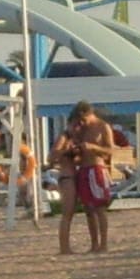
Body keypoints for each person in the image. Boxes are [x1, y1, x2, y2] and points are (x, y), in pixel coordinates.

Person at [69, 101, 114, 253]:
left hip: (97, 167)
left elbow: (110, 151)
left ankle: (104, 243)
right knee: (88, 209)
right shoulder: (84, 129)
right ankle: (94, 243)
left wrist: (93, 147)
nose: (83, 122)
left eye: (83, 119)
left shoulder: (103, 127)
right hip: (84, 168)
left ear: (88, 114)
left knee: (99, 207)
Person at [49, 124, 81, 255]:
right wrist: (67, 151)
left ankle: (65, 247)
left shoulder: (75, 138)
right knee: (67, 214)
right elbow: (52, 156)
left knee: (69, 213)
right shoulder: (64, 137)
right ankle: (64, 248)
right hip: (66, 176)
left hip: (70, 175)